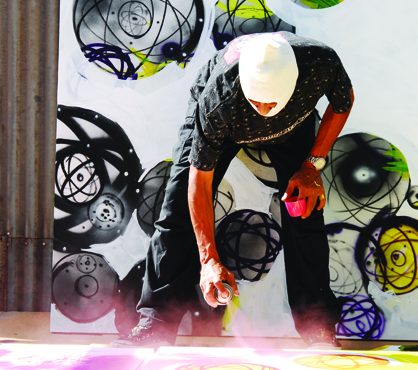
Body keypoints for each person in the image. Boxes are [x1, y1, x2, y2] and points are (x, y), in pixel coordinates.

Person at [112, 31, 354, 348]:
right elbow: (199, 182)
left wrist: (311, 166)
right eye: (256, 101)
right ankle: (155, 326)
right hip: (228, 123)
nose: (263, 109)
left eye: (270, 102)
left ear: (293, 84)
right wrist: (209, 260)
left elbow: (342, 102)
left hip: (294, 126)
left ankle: (318, 327)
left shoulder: (320, 64)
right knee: (178, 209)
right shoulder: (219, 99)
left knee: (304, 206)